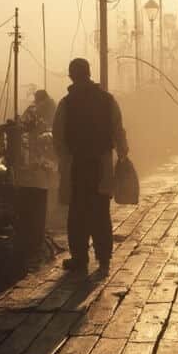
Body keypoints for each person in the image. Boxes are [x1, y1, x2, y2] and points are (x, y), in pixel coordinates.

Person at [52, 58, 128, 270]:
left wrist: (64, 159)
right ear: (89, 73)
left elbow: (57, 136)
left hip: (77, 165)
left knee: (78, 213)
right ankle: (103, 257)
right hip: (101, 164)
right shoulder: (108, 100)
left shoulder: (66, 103)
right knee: (101, 212)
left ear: (71, 76)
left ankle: (80, 258)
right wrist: (122, 154)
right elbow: (118, 129)